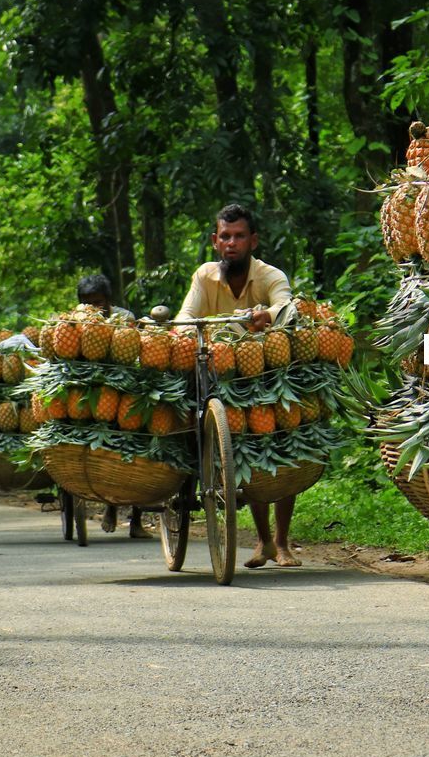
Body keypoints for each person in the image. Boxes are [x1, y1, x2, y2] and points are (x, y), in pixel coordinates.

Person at [176, 204, 298, 567]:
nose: (232, 243)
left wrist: (269, 316)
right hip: (217, 372)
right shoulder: (204, 276)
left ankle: (283, 541)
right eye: (225, 237)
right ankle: (263, 541)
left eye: (239, 236)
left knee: (280, 440)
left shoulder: (269, 275)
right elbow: (186, 315)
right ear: (216, 241)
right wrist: (186, 330)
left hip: (265, 374)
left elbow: (288, 306)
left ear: (253, 240)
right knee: (239, 445)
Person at [77, 274, 150, 539]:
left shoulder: (125, 318)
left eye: (98, 304)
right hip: (92, 391)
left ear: (109, 301)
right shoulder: (75, 322)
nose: (94, 310)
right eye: (87, 305)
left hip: (125, 389)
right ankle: (110, 506)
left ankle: (137, 519)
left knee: (139, 445)